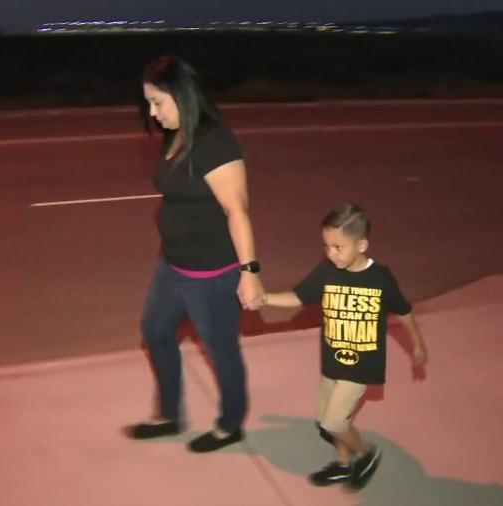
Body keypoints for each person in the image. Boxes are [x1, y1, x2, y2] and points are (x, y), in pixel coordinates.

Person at [124, 55, 265, 453]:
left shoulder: (215, 142)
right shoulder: (176, 133)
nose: (152, 114)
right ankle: (170, 415)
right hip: (171, 264)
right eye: (149, 104)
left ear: (182, 97)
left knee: (221, 352)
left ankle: (230, 423)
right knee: (154, 332)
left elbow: (237, 210)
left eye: (158, 103)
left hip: (212, 274)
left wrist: (249, 272)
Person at [262, 202, 428, 490]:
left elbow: (404, 310)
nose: (331, 253)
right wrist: (264, 298)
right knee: (324, 419)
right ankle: (342, 465)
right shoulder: (328, 271)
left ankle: (365, 453)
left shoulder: (380, 279)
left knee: (334, 422)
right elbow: (299, 297)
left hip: (361, 365)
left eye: (338, 247)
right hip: (332, 361)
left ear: (361, 244)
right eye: (327, 246)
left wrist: (417, 345)